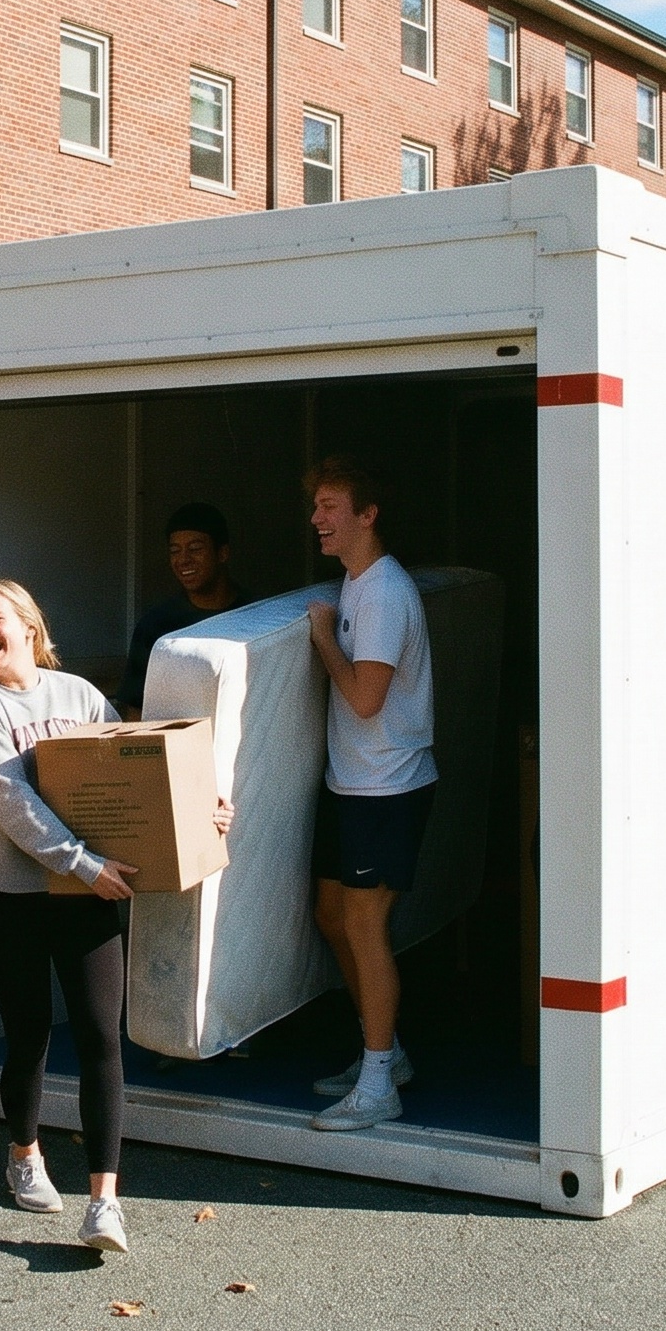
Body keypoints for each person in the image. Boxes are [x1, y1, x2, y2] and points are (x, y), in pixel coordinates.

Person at [0, 579, 232, 1253]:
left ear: (28, 624)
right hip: (10, 897)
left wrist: (203, 808)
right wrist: (81, 861)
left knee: (101, 1037)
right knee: (27, 1036)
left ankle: (104, 1203)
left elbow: (131, 771)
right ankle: (24, 1154)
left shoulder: (77, 696)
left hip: (84, 898)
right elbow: (10, 800)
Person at [302, 456, 436, 1133]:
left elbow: (364, 698)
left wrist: (323, 637)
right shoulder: (355, 584)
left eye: (330, 506)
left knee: (362, 923)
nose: (317, 519)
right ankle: (384, 1053)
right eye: (317, 507)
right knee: (332, 914)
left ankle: (380, 1083)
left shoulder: (381, 595)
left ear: (367, 514)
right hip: (351, 784)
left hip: (385, 788)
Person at [119, 502, 241, 716]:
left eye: (195, 549)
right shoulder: (155, 627)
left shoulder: (256, 615)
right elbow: (135, 710)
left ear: (223, 553)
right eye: (175, 551)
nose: (183, 559)